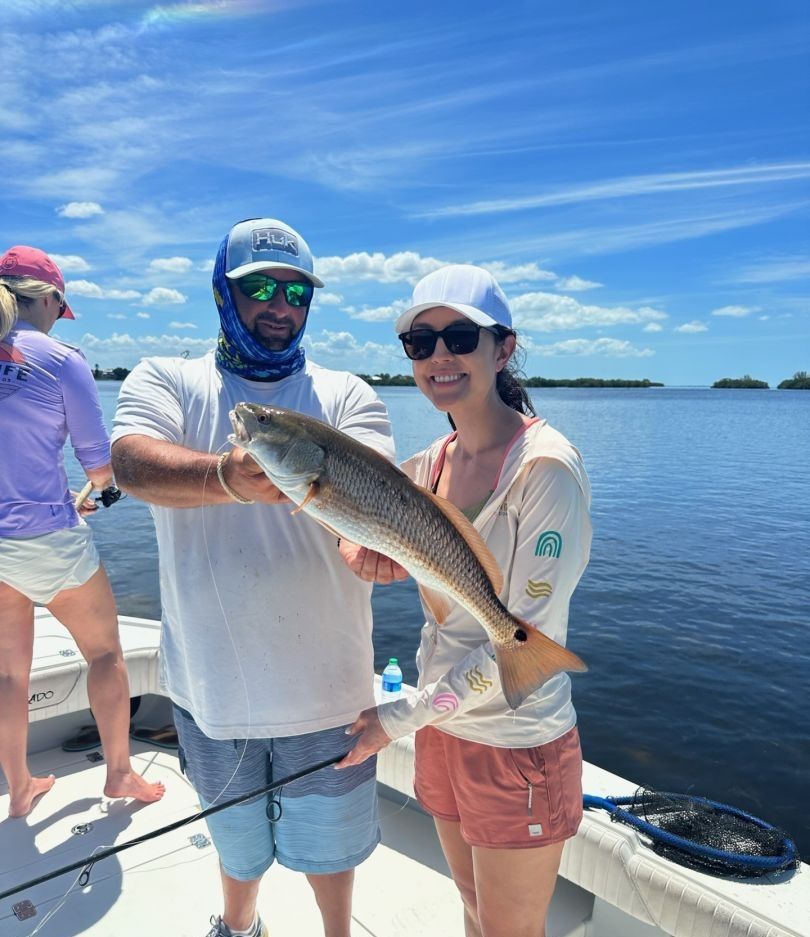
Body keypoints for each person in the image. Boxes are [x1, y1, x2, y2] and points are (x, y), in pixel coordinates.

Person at [110, 218, 394, 937]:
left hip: (328, 688)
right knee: (236, 844)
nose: (280, 303)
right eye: (259, 287)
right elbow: (130, 463)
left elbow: (372, 502)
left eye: (296, 290)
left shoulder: (350, 394)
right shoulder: (166, 378)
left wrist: (374, 549)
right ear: (221, 291)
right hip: (213, 688)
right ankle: (240, 928)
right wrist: (222, 477)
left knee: (333, 849)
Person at [338, 264, 592, 937]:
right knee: (475, 912)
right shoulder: (429, 466)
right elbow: (387, 551)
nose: (438, 357)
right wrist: (364, 555)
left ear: (502, 348)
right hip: (444, 730)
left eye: (458, 336)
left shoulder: (546, 469)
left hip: (515, 742)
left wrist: (401, 717)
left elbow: (519, 640)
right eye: (420, 344)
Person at [0, 246, 165, 818]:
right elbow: (100, 465)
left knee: (6, 672)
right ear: (49, 299)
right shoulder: (61, 359)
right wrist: (94, 492)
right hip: (46, 539)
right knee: (103, 653)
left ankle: (19, 785)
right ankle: (119, 774)